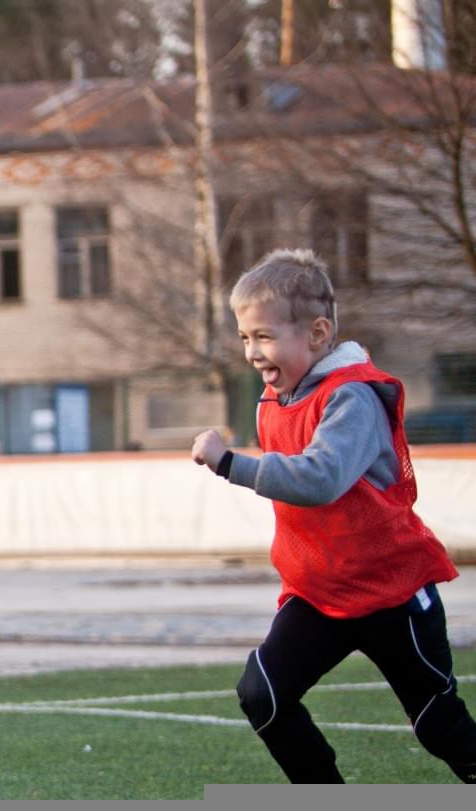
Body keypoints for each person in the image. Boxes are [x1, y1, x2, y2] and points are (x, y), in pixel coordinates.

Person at [191, 248, 476, 783]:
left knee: (441, 728)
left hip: (392, 593)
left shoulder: (353, 397)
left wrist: (231, 464)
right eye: (245, 336)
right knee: (264, 695)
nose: (252, 351)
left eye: (265, 336)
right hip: (321, 596)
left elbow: (320, 479)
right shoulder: (274, 400)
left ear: (318, 334)